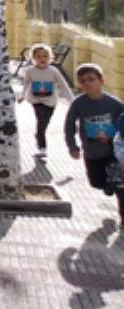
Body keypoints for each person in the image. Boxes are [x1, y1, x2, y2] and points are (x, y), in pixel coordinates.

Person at [64, 63, 124, 221]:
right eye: (83, 81)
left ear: (101, 81)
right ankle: (106, 186)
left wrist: (114, 136)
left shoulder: (114, 104)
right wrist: (72, 146)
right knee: (96, 182)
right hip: (92, 153)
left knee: (120, 187)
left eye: (91, 79)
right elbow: (69, 125)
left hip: (114, 153)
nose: (87, 83)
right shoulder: (78, 103)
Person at [17, 43, 75, 159]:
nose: (42, 59)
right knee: (41, 121)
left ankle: (39, 135)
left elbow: (63, 86)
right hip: (36, 100)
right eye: (38, 56)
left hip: (50, 101)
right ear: (33, 58)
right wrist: (22, 96)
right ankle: (42, 147)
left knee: (44, 123)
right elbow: (26, 84)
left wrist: (72, 100)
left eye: (45, 56)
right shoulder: (30, 71)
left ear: (50, 57)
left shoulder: (53, 71)